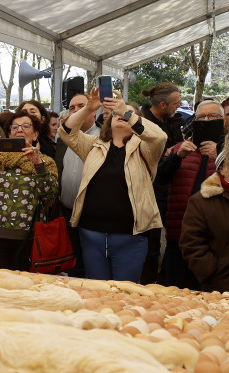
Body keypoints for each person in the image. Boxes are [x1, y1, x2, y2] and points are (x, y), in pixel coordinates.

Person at [62, 87, 167, 282]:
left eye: (128, 113)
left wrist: (124, 111)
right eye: (116, 113)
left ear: (136, 122)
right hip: (91, 234)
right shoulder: (94, 145)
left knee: (124, 294)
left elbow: (159, 137)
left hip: (130, 237)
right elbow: (67, 132)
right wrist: (87, 108)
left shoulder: (145, 148)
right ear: (108, 120)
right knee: (97, 292)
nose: (120, 115)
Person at [0, 111, 58, 270]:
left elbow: (50, 193)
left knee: (26, 289)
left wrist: (37, 164)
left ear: (36, 133)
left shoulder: (46, 162)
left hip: (29, 238)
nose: (19, 130)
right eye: (14, 127)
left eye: (25, 126)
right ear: (8, 133)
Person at [156, 100, 225, 289]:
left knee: (209, 292)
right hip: (179, 232)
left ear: (223, 120)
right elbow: (160, 178)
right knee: (176, 289)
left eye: (213, 116)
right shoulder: (181, 147)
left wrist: (219, 156)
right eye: (202, 116)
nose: (207, 120)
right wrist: (176, 157)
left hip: (215, 237)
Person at [179, 153, 229, 294]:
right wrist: (211, 272)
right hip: (222, 286)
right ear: (221, 168)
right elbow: (191, 243)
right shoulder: (201, 201)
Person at [141, 82, 185, 284]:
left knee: (175, 238)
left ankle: (164, 279)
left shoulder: (171, 120)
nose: (179, 106)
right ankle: (149, 282)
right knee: (152, 244)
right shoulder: (142, 123)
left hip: (170, 188)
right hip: (151, 190)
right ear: (162, 105)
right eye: (176, 103)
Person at [55, 93, 99, 278]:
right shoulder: (63, 139)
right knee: (73, 265)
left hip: (92, 216)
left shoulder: (103, 137)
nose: (76, 111)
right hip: (66, 211)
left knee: (92, 267)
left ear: (94, 111)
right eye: (71, 108)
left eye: (82, 106)